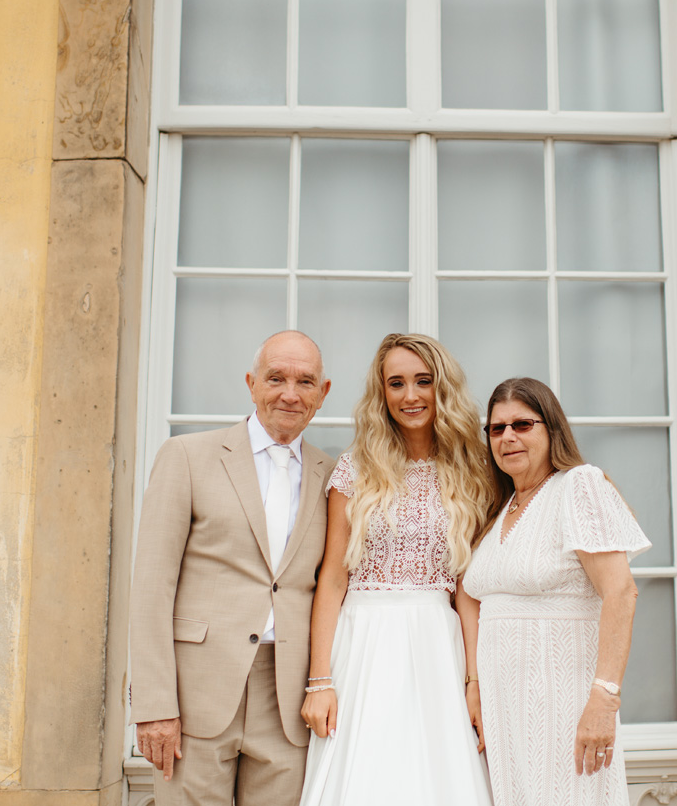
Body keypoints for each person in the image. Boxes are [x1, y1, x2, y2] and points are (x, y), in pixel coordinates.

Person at [129, 330, 336, 806]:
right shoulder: (187, 456)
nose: (290, 394)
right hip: (195, 694)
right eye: (276, 378)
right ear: (251, 383)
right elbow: (151, 587)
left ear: (323, 393)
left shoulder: (332, 476)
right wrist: (155, 705)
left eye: (305, 382)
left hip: (287, 700)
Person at [299, 333, 494, 806]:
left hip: (437, 646)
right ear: (382, 392)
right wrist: (319, 681)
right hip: (363, 644)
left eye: (423, 381)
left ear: (442, 387)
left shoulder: (471, 471)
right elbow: (333, 580)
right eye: (397, 383)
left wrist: (474, 682)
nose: (410, 396)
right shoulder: (354, 469)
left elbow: (467, 589)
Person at [459, 377, 651, 805]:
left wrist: (604, 699)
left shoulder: (578, 485)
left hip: (565, 705)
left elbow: (621, 593)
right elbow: (471, 594)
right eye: (497, 428)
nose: (507, 437)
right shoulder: (498, 508)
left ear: (552, 429)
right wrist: (475, 683)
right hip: (504, 710)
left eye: (522, 424)